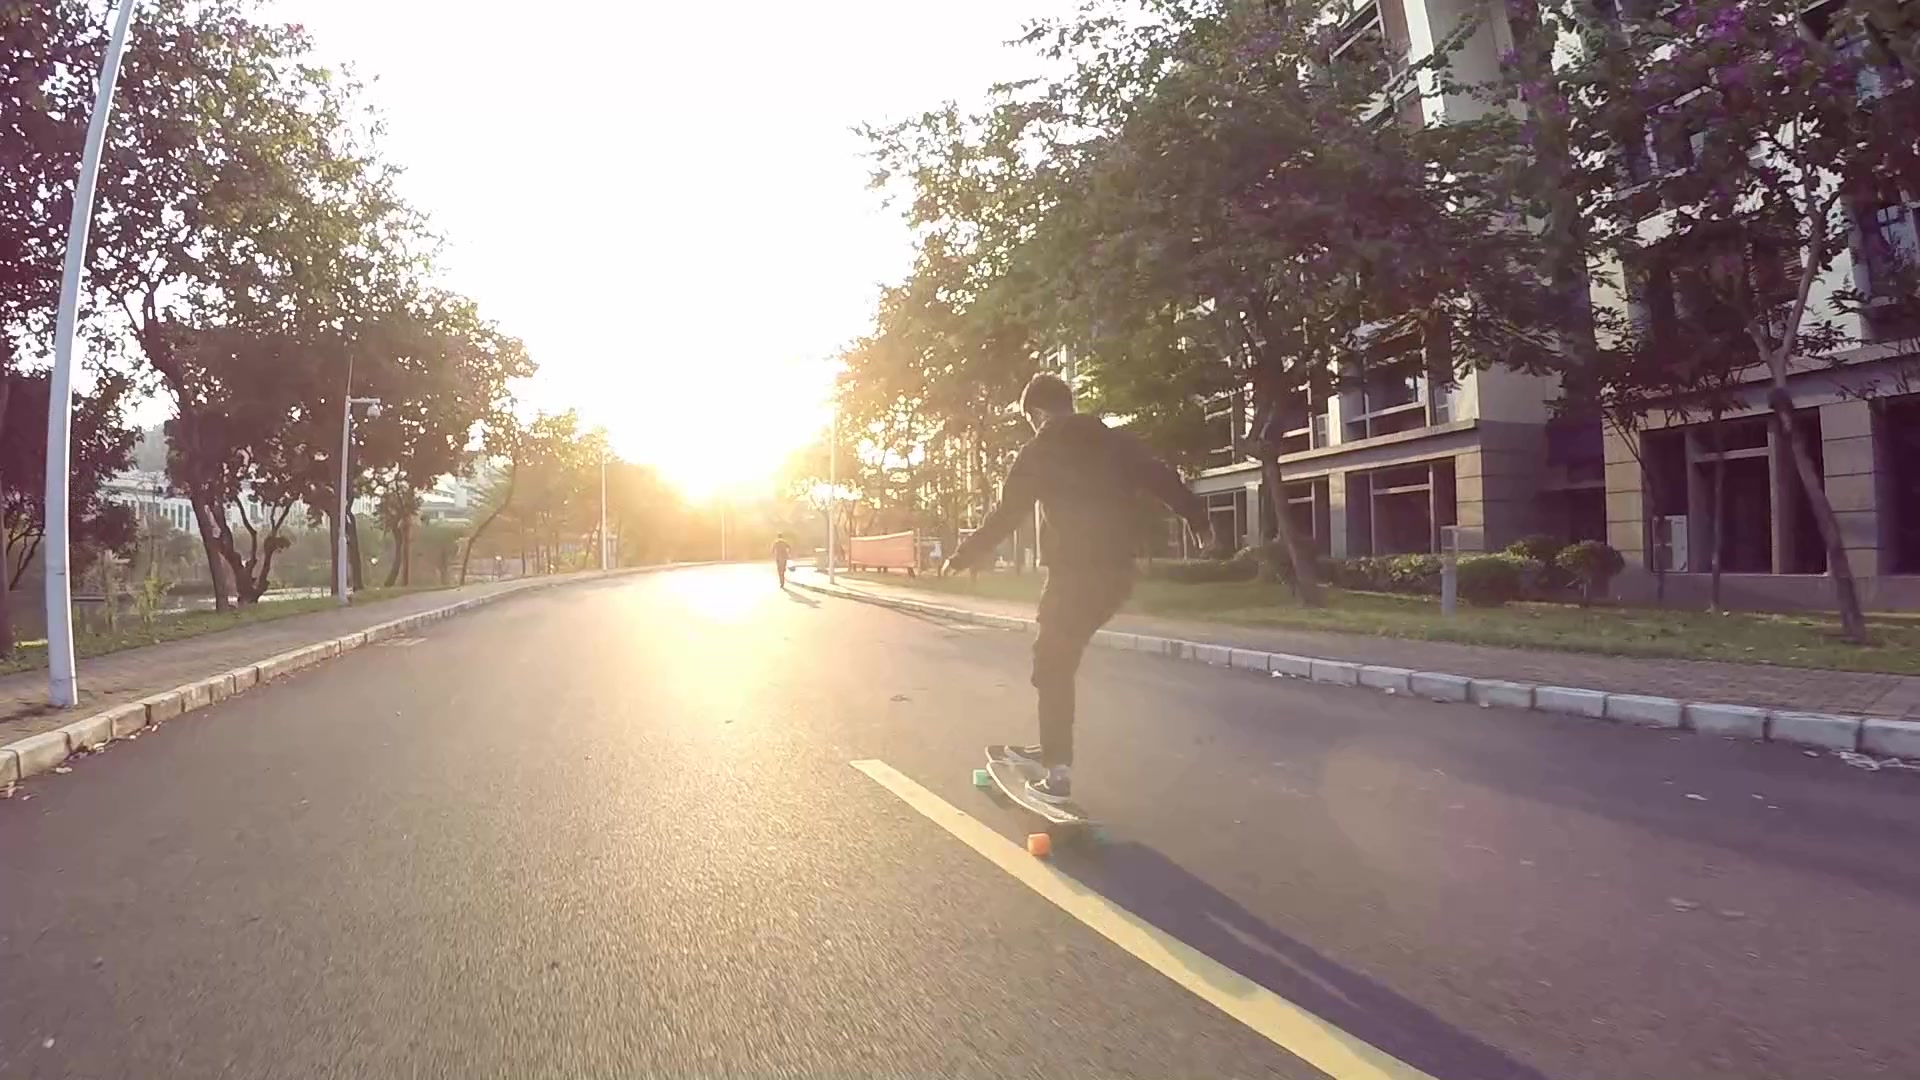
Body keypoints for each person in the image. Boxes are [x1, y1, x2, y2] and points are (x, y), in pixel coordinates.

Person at [942, 373, 1214, 803]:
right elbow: (1162, 477)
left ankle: (1057, 771)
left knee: (1050, 665)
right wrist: (1198, 521)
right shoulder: (1116, 442)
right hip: (1116, 576)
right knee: (1056, 661)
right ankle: (1052, 750)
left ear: (1036, 413)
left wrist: (963, 554)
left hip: (1074, 574)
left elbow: (1007, 513)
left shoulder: (1038, 450)